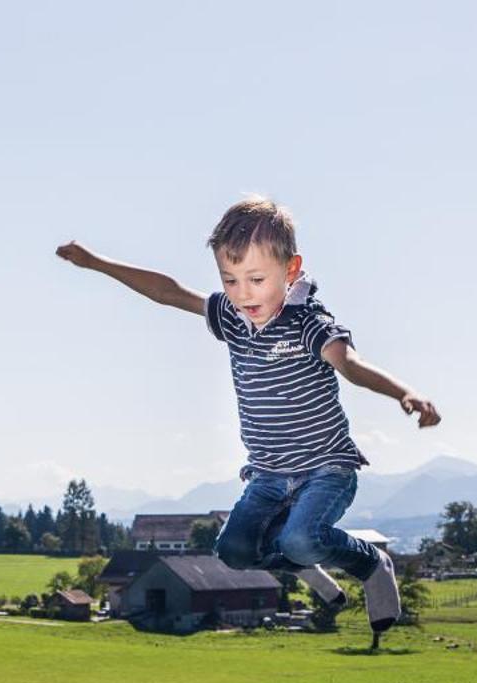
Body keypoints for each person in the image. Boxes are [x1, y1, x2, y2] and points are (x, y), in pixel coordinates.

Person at [56, 195, 440, 638]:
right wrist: (96, 263)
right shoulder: (232, 317)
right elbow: (169, 291)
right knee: (235, 551)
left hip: (325, 469)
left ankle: (372, 565)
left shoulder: (308, 322)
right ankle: (303, 567)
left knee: (299, 538)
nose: (242, 294)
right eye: (230, 280)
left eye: (256, 279)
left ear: (290, 271)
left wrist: (404, 393)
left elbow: (350, 364)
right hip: (268, 475)